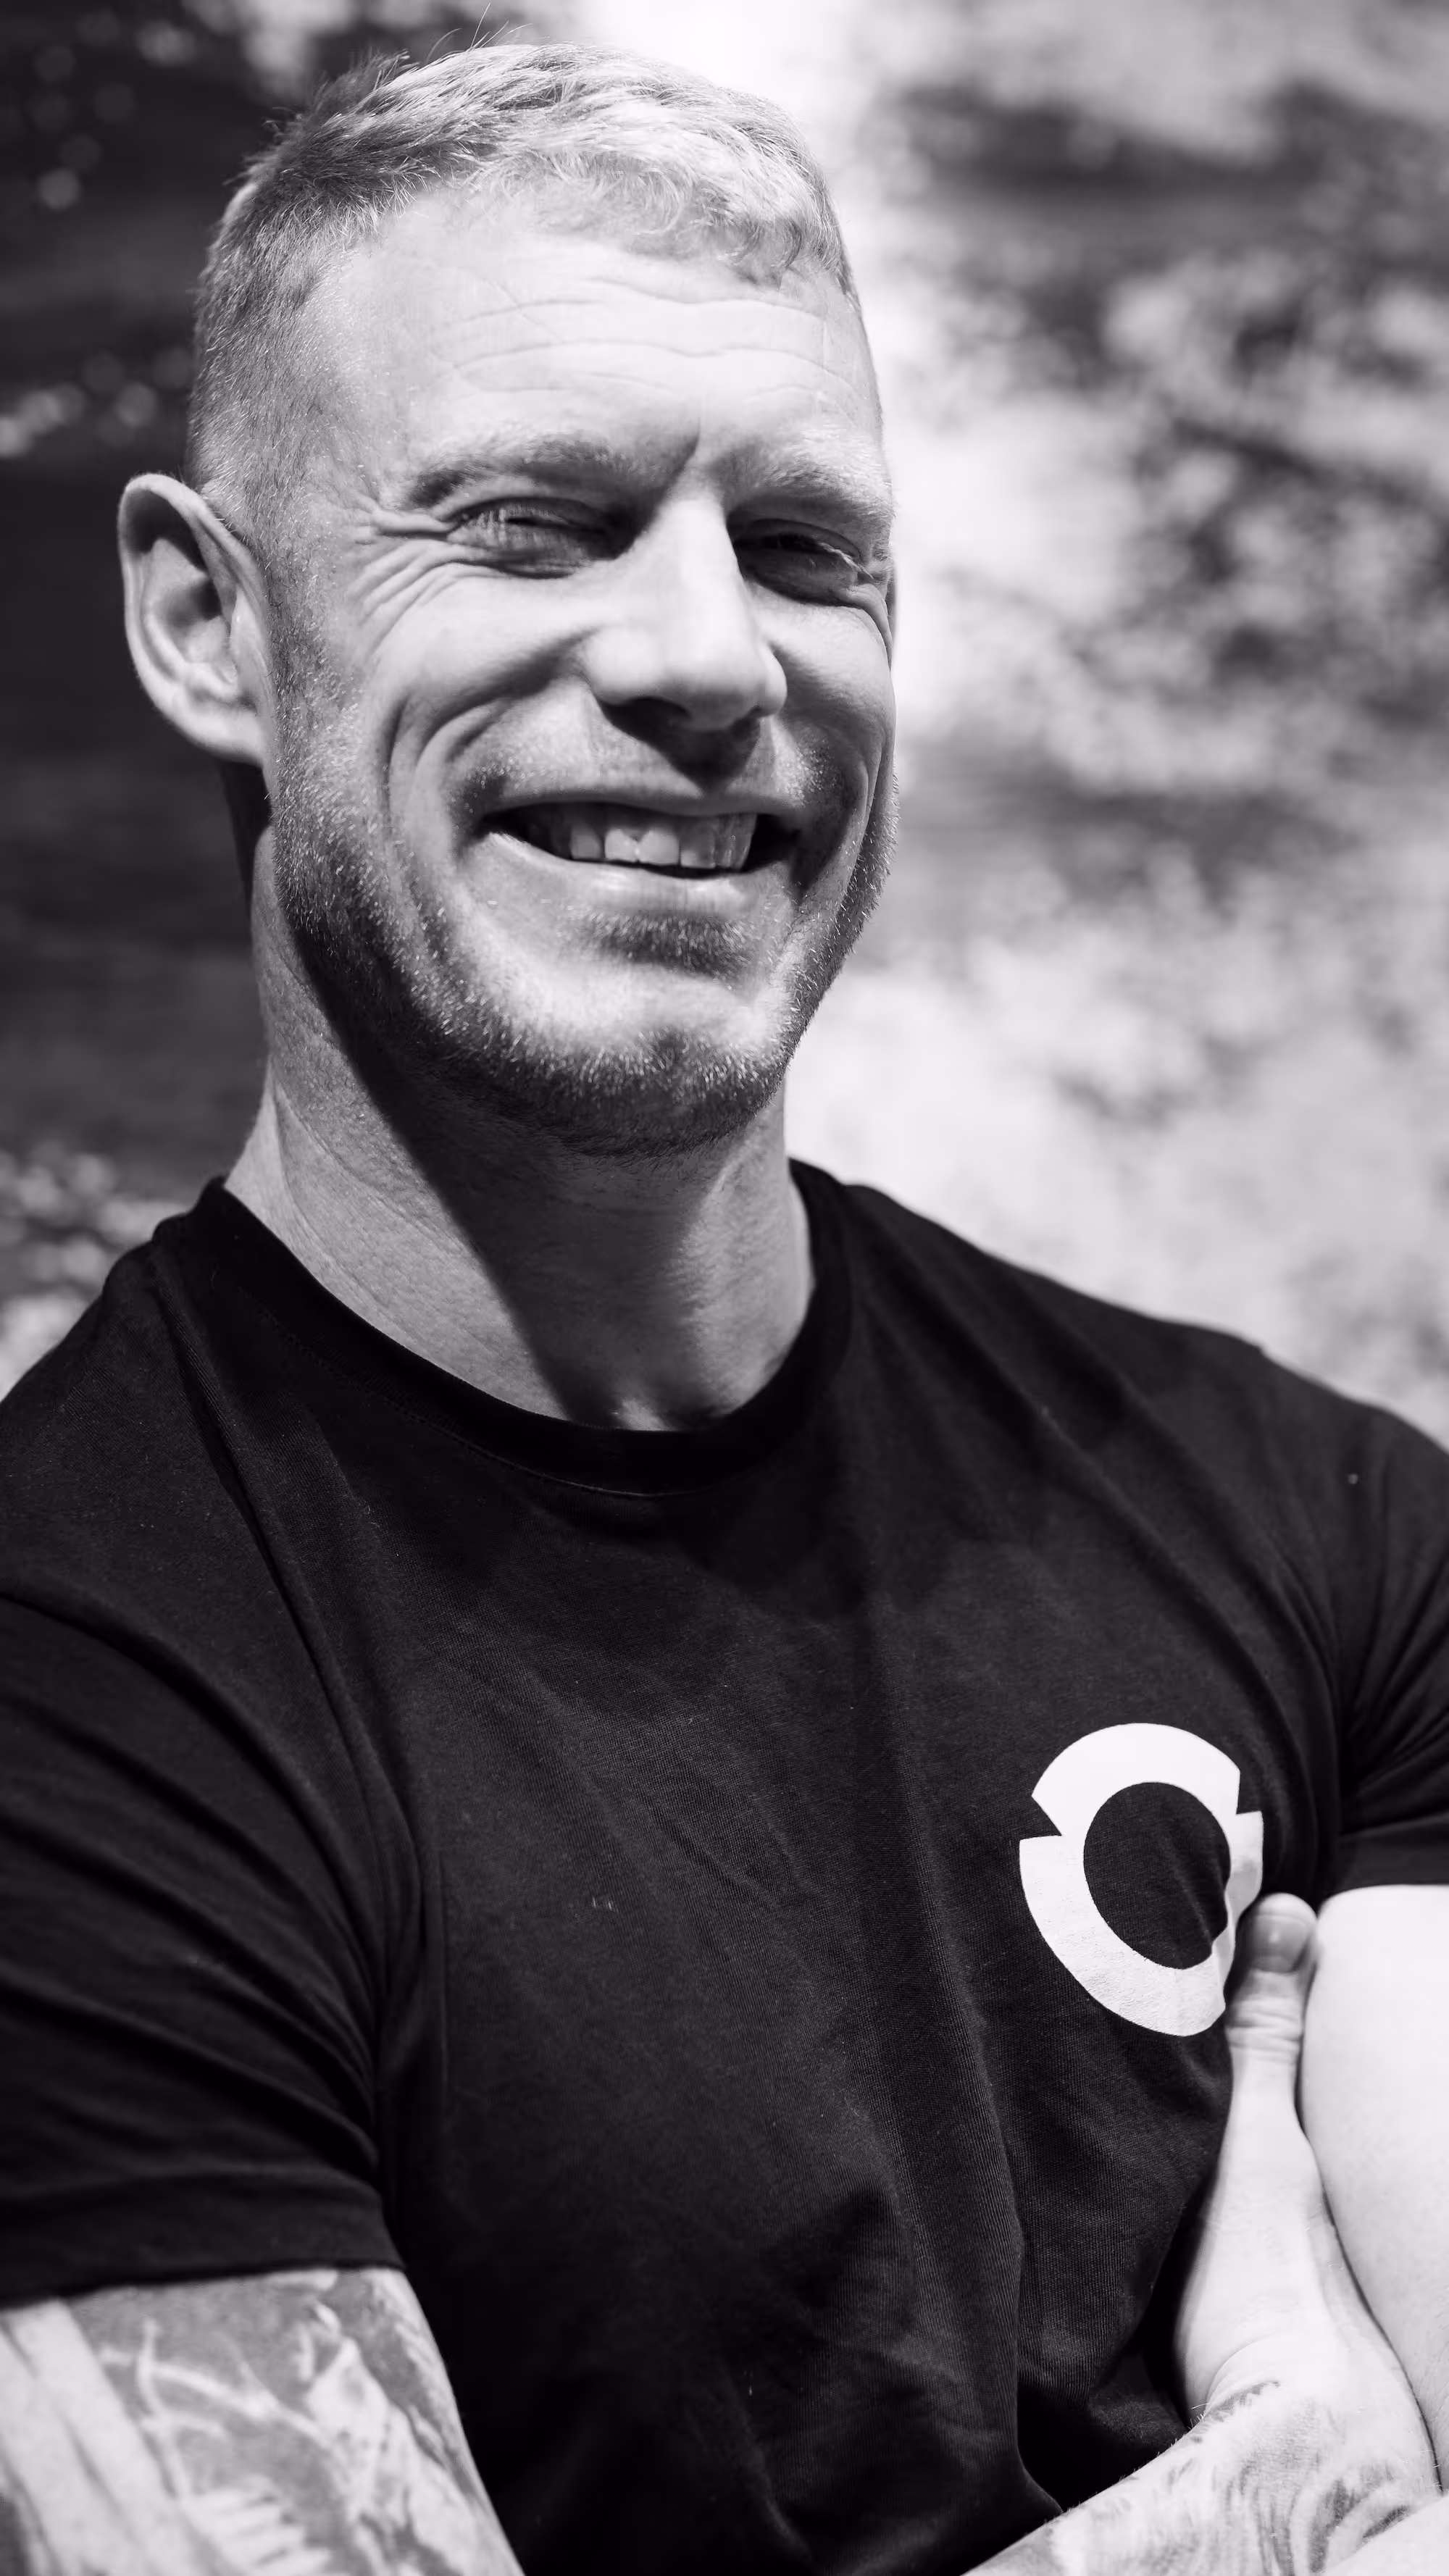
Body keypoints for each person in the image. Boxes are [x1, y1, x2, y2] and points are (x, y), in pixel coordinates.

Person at [0, 41, 1445, 2575]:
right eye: (539, 524)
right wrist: (1264, 2517)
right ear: (207, 620)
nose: (704, 659)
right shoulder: (67, 1698)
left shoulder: (1328, 1528)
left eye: (803, 546)